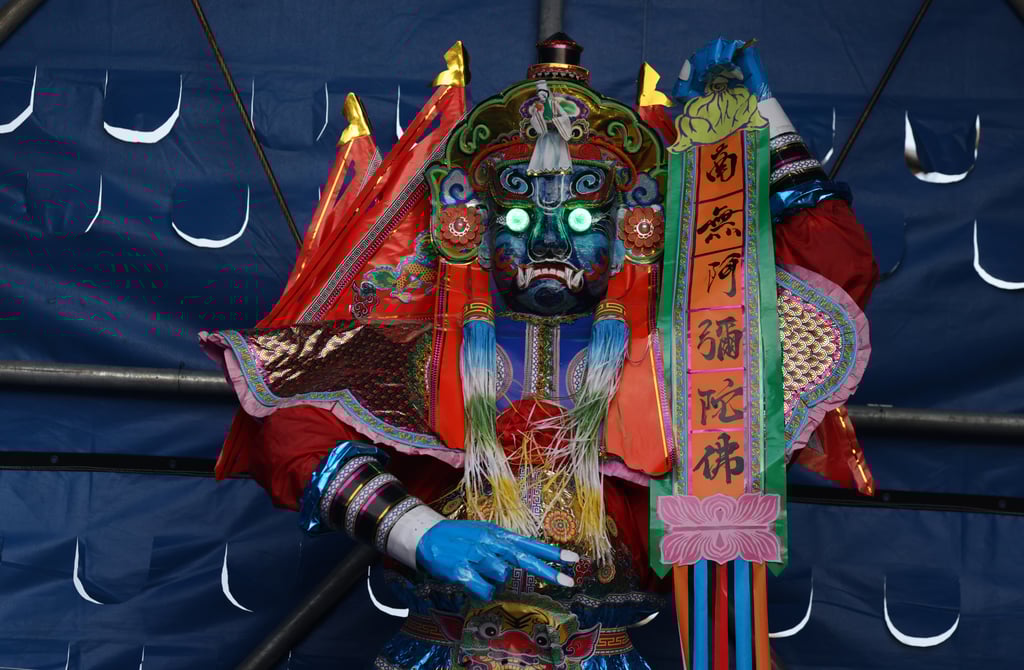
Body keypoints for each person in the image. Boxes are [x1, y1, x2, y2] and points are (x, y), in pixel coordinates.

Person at [201, 34, 877, 670]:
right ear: (471, 225)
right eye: (521, 219)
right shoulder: (428, 351)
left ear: (630, 230)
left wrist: (759, 114)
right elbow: (285, 415)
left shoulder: (681, 361)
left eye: (581, 220)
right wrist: (414, 529)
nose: (549, 241)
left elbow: (834, 266)